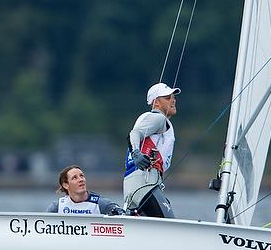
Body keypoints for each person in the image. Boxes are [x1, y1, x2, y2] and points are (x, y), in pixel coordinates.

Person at [123, 82, 180, 218]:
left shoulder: (146, 119)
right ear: (156, 103)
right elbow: (134, 134)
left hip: (133, 186)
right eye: (167, 98)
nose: (173, 100)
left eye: (173, 97)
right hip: (145, 186)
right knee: (170, 228)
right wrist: (136, 152)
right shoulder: (158, 118)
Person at [47, 165, 125, 215]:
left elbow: (124, 216)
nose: (81, 180)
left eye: (82, 176)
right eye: (75, 178)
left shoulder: (102, 204)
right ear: (65, 185)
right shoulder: (57, 207)